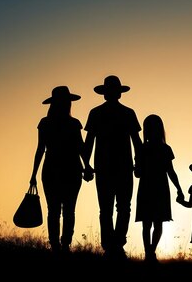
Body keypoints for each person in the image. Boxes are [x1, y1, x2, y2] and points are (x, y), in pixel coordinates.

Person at [82, 75, 143, 260]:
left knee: (107, 208)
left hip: (105, 168)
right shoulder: (128, 113)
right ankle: (116, 244)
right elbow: (137, 142)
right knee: (123, 207)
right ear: (119, 93)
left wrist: (86, 166)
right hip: (122, 168)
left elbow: (88, 143)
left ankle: (110, 245)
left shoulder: (96, 113)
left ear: (105, 94)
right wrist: (139, 163)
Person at [29, 85, 87, 253]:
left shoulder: (46, 123)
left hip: (53, 168)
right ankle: (63, 245)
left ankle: (57, 245)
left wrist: (33, 174)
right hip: (71, 169)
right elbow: (80, 148)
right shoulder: (73, 124)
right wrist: (87, 166)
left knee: (54, 210)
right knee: (68, 209)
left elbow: (41, 149)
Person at [134, 114, 184, 262]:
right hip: (161, 188)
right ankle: (151, 252)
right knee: (158, 223)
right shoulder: (165, 149)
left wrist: (137, 167)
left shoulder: (142, 149)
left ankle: (148, 252)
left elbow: (138, 174)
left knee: (146, 224)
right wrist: (179, 189)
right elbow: (171, 171)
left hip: (146, 187)